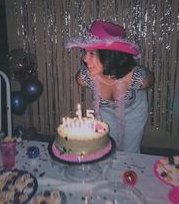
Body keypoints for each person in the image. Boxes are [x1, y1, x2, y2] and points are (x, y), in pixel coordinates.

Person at [66, 20, 154, 153]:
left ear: (109, 56)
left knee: (130, 150)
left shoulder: (136, 77)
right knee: (107, 147)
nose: (84, 58)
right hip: (105, 112)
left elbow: (150, 80)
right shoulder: (85, 78)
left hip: (133, 111)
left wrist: (136, 73)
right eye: (85, 52)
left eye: (92, 54)